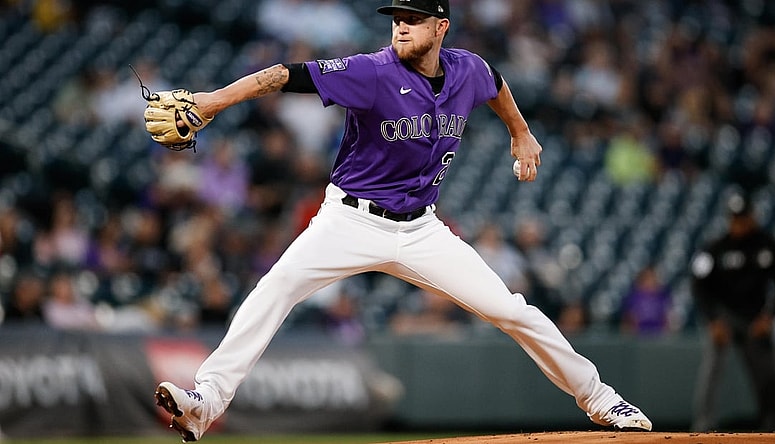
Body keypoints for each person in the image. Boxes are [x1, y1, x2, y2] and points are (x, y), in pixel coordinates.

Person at [153, 1, 652, 441]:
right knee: (275, 288)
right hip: (349, 220)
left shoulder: (467, 70)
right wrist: (212, 101)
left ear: (441, 27)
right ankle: (207, 402)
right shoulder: (371, 72)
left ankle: (601, 398)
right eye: (397, 19)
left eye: (414, 19)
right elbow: (287, 74)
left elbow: (496, 85)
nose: (401, 28)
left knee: (512, 310)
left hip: (422, 229)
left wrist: (520, 132)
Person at [690, 191, 775, 432]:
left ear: (752, 217)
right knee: (711, 371)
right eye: (734, 219)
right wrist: (713, 320)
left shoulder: (768, 245)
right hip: (725, 315)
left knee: (767, 374)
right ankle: (703, 424)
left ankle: (772, 423)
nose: (738, 224)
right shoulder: (717, 247)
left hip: (756, 316)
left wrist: (770, 315)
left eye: (743, 218)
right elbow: (699, 284)